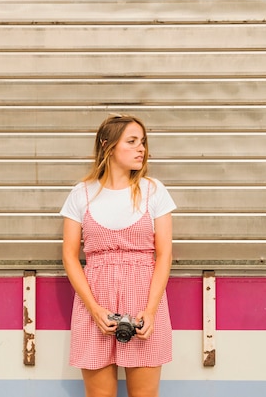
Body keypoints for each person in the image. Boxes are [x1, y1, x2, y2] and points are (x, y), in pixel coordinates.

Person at [60, 114, 176, 397]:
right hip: (95, 304)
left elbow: (164, 255)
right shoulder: (81, 194)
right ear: (108, 146)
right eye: (132, 141)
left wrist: (150, 311)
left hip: (143, 302)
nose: (142, 149)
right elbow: (70, 256)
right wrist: (95, 310)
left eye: (143, 142)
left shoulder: (153, 191)